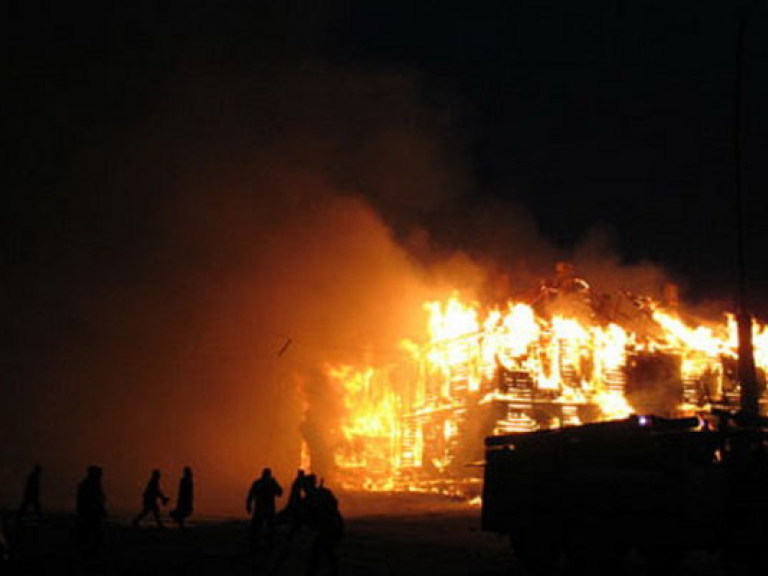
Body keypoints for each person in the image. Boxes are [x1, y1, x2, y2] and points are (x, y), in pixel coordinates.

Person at [303, 474, 344, 576]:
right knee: (322, 553)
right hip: (326, 528)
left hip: (329, 528)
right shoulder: (318, 494)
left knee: (325, 553)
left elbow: (334, 505)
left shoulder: (319, 494)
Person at [246, 467, 283, 550]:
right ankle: (257, 544)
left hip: (266, 509)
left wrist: (248, 505)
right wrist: (248, 505)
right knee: (259, 528)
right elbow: (251, 495)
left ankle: (266, 544)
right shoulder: (260, 483)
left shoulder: (262, 483)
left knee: (268, 528)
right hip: (263, 509)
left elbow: (280, 493)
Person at [76, 465, 107, 559]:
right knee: (92, 532)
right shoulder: (89, 485)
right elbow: (93, 499)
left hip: (90, 512)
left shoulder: (89, 484)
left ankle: (90, 551)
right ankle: (90, 552)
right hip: (90, 512)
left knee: (91, 532)